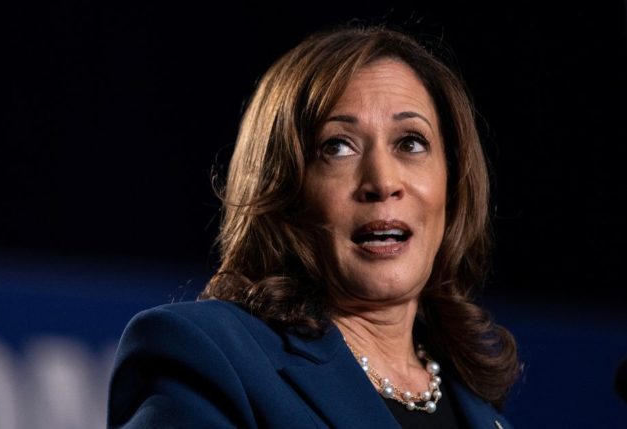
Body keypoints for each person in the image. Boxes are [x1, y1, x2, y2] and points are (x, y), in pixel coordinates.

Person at [108, 24, 520, 428]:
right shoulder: (207, 355)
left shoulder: (481, 410)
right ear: (283, 189)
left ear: (452, 181)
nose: (383, 182)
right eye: (336, 147)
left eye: (410, 142)